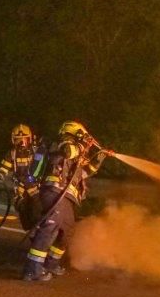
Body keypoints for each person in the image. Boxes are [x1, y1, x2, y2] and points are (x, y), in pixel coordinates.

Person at [23, 120, 111, 282]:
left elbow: (82, 174)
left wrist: (98, 158)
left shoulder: (76, 156)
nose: (84, 140)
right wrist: (84, 146)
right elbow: (68, 150)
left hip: (68, 198)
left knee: (68, 232)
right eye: (82, 137)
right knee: (50, 227)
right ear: (75, 134)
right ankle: (32, 269)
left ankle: (50, 264)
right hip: (53, 192)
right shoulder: (60, 145)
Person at [0, 123, 43, 230]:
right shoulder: (12, 154)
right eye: (18, 140)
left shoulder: (35, 151)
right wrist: (0, 174)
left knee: (37, 213)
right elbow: (4, 166)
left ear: (29, 139)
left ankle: (39, 235)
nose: (22, 143)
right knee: (23, 214)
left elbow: (42, 167)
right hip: (20, 190)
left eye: (24, 140)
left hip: (34, 189)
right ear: (13, 140)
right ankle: (32, 234)